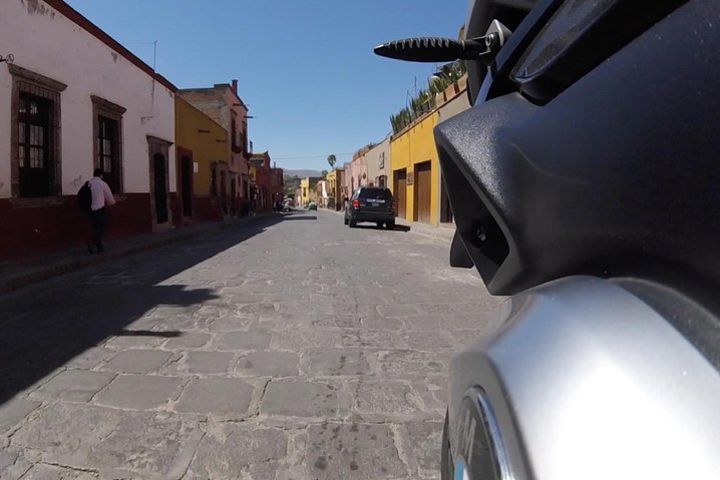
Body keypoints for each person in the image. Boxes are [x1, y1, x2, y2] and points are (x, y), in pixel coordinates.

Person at [87, 168, 115, 253]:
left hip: (90, 210)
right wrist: (112, 203)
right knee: (101, 228)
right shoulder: (103, 184)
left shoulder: (89, 183)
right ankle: (93, 242)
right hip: (100, 210)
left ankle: (99, 246)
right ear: (101, 175)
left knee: (94, 227)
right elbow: (109, 198)